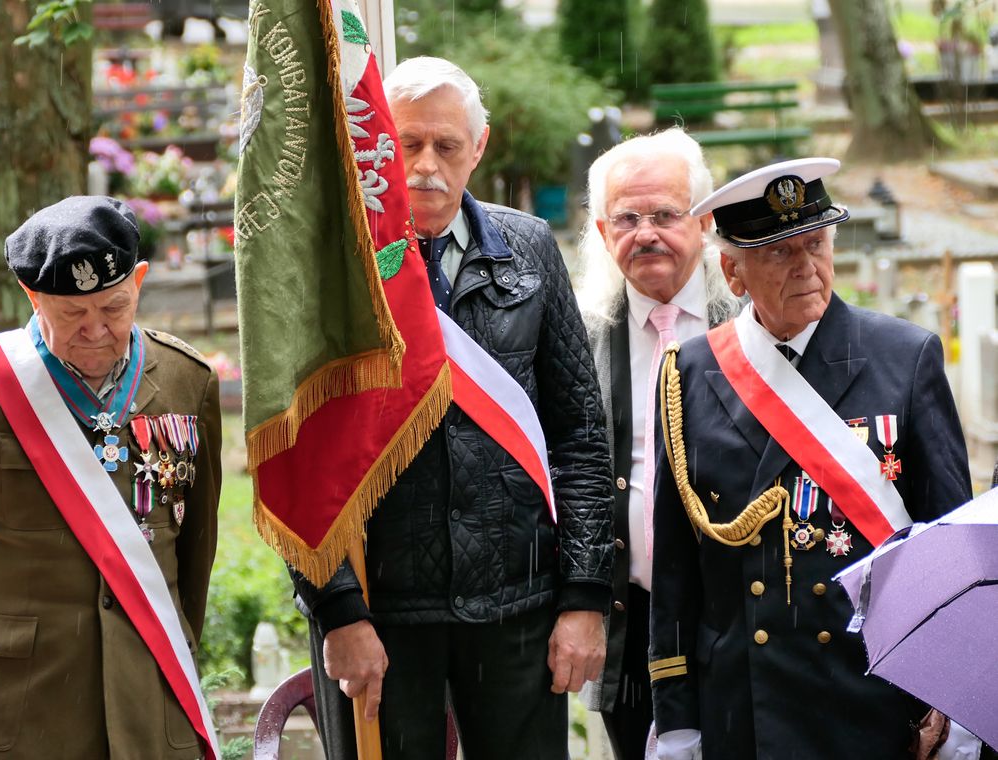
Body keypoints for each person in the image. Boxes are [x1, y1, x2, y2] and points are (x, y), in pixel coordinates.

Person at [291, 56, 614, 760]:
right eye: (407, 144)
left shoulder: (529, 248)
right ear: (377, 144)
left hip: (518, 604)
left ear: (481, 147)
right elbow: (297, 458)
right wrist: (338, 611)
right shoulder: (331, 263)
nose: (426, 165)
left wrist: (586, 596)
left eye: (447, 145)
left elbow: (580, 436)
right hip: (382, 609)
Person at [647, 158, 975, 760]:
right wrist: (676, 721)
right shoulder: (687, 376)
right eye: (778, 252)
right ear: (733, 270)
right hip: (743, 708)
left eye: (816, 243)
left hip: (869, 701)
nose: (806, 268)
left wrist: (955, 705)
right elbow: (675, 574)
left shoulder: (905, 359)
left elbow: (950, 551)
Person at [0, 196, 222, 759]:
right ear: (32, 297)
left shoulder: (186, 380)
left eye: (115, 307)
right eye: (72, 314)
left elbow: (196, 552)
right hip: (18, 713)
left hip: (152, 706)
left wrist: (171, 653)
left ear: (139, 282)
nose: (96, 330)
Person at [575, 128, 741, 760]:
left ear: (703, 222)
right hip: (633, 623)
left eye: (666, 214)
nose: (646, 233)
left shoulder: (752, 324)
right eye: (627, 218)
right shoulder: (580, 337)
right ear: (600, 229)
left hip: (740, 616)